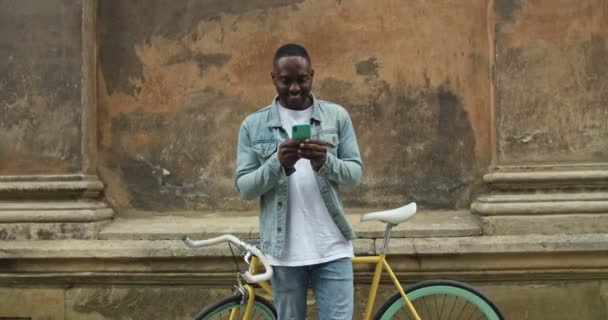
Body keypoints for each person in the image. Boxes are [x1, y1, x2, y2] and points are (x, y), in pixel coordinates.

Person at [235, 43, 363, 319]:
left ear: (312, 75)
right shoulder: (252, 126)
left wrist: (325, 162)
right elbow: (244, 187)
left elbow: (355, 174)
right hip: (283, 255)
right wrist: (277, 163)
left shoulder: (337, 117)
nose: (294, 88)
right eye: (286, 81)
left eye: (301, 79)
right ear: (273, 79)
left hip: (333, 248)